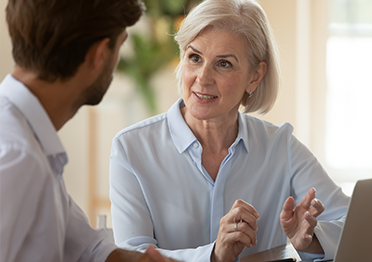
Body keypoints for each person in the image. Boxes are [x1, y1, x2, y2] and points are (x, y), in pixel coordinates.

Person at [109, 0, 350, 261]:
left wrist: (310, 239)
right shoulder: (131, 148)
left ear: (254, 76)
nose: (202, 77)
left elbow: (351, 222)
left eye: (223, 64)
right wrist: (212, 255)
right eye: (194, 57)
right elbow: (131, 255)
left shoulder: (281, 147)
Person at [0, 0, 180, 262]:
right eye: (119, 46)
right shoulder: (19, 156)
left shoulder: (33, 141)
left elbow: (86, 249)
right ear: (99, 55)